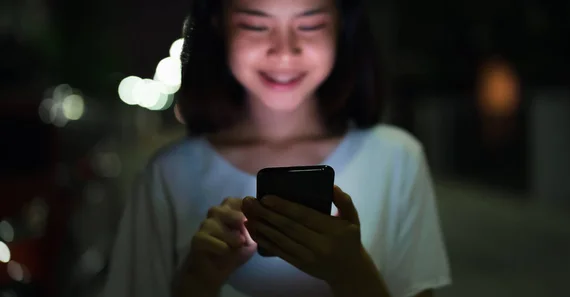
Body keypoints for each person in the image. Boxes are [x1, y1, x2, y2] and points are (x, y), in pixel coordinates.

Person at [102, 0, 451, 296]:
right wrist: (197, 279)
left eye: (310, 24)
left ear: (342, 26)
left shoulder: (396, 159)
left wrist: (352, 272)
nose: (284, 49)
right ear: (217, 24)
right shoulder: (169, 175)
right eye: (255, 25)